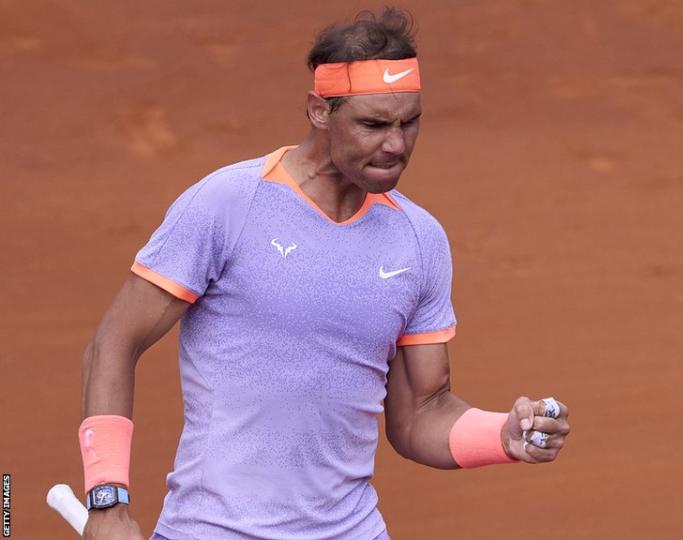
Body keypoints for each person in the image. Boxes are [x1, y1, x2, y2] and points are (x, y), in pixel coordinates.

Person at [79, 8, 571, 540]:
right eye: (374, 124)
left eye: (409, 122)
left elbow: (420, 415)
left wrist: (502, 434)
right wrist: (108, 501)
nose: (397, 145)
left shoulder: (419, 240)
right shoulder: (230, 204)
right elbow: (114, 342)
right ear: (319, 111)